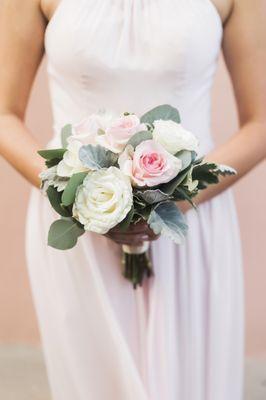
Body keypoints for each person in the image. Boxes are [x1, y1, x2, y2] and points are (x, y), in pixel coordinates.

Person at [0, 0, 265, 399]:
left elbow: (261, 121)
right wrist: (79, 197)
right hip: (78, 226)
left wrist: (174, 200)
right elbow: (4, 114)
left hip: (191, 220)